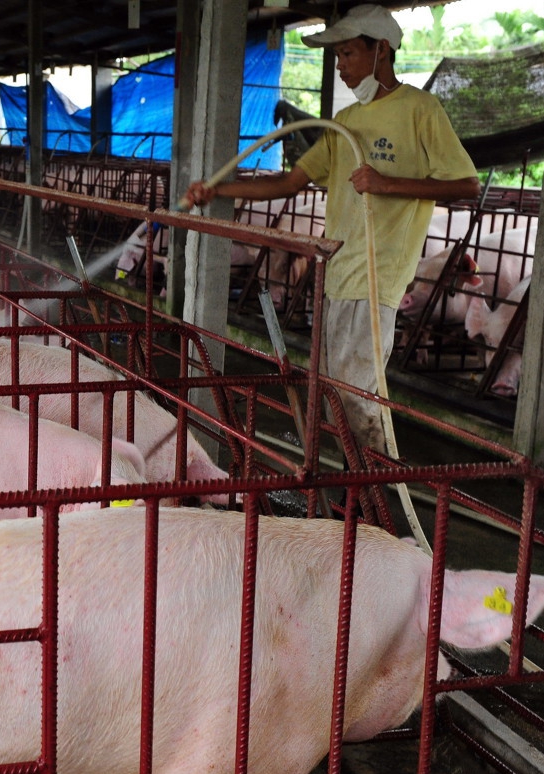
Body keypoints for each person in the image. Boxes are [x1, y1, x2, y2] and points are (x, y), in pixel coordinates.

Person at [183, 4, 479, 455]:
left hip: (377, 279)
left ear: (381, 51)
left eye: (347, 55)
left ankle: (371, 501)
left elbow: (467, 185)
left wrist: (387, 184)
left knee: (358, 399)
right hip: (336, 273)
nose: (340, 67)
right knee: (335, 400)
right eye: (337, 57)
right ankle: (351, 503)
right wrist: (219, 191)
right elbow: (289, 182)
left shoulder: (420, 109)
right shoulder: (345, 123)